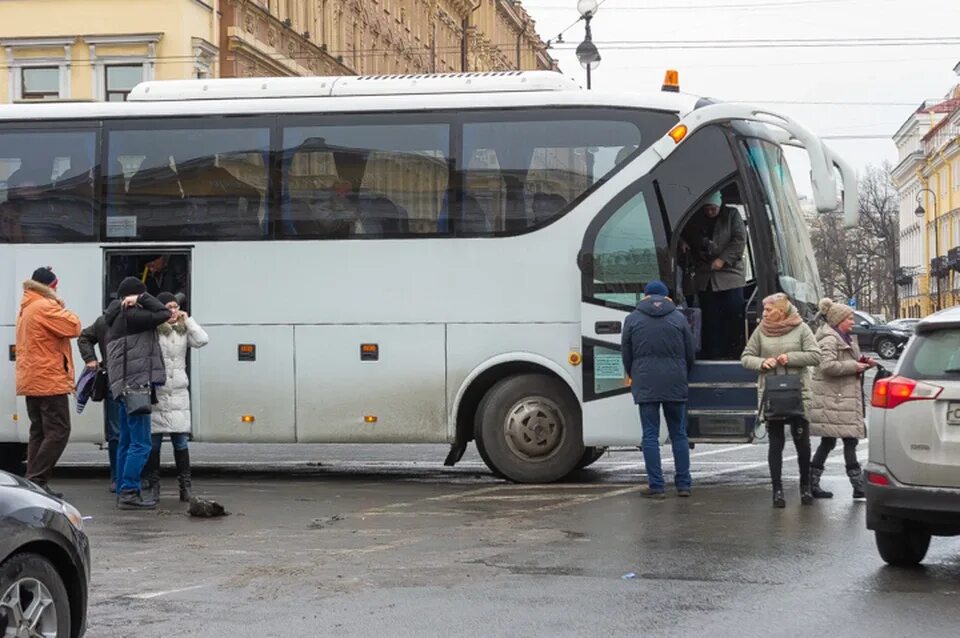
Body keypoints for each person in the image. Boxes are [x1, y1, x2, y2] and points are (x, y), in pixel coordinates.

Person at [741, 293, 821, 508]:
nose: (764, 314)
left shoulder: (801, 328)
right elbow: (746, 357)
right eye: (764, 310)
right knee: (776, 443)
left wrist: (791, 358)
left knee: (802, 442)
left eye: (769, 310)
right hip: (773, 394)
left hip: (797, 393)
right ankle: (777, 490)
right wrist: (762, 362)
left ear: (782, 310)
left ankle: (805, 487)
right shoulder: (761, 330)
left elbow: (816, 355)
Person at [622, 280, 696, 498]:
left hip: (645, 381)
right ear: (666, 297)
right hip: (675, 381)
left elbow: (626, 353)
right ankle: (684, 485)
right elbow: (689, 352)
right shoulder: (678, 317)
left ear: (645, 296)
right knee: (679, 434)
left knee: (650, 436)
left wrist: (633, 373)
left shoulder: (633, 319)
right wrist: (682, 372)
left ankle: (657, 486)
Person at [105, 277, 172, 510]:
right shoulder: (132, 316)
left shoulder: (115, 319)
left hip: (123, 387)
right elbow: (165, 314)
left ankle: (123, 487)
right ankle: (130, 492)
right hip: (136, 385)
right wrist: (142, 297)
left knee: (126, 441)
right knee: (141, 443)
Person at [15, 267, 82, 497]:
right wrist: (59, 303)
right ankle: (37, 480)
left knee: (40, 432)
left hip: (33, 378)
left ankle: (32, 484)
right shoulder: (45, 306)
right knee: (59, 430)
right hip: (48, 379)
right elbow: (74, 326)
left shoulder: (27, 306)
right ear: (51, 286)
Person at [808, 298, 877, 500]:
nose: (852, 322)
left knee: (835, 441)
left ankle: (815, 483)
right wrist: (854, 367)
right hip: (834, 399)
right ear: (838, 321)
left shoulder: (843, 337)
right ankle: (856, 486)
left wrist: (863, 362)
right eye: (849, 319)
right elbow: (827, 366)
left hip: (841, 398)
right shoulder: (830, 339)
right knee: (844, 441)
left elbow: (845, 361)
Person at [144, 292, 209, 503]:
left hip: (179, 392)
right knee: (153, 445)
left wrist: (187, 319)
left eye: (174, 306)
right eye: (167, 307)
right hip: (158, 392)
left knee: (180, 442)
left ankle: (185, 487)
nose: (172, 311)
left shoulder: (183, 330)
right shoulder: (154, 330)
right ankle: (154, 487)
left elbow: (202, 340)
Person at [681, 191, 747, 359]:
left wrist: (723, 259)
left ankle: (734, 352)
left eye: (713, 209)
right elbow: (687, 234)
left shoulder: (732, 215)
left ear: (720, 205)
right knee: (710, 318)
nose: (710, 212)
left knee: (733, 314)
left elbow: (739, 240)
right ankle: (713, 353)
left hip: (730, 275)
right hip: (706, 276)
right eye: (707, 209)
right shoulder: (696, 219)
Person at [78, 312, 123, 492]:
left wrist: (90, 359)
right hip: (133, 382)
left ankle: (117, 478)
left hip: (112, 381)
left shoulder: (104, 320)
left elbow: (84, 337)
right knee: (133, 433)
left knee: (116, 433)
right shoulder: (140, 316)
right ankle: (132, 478)